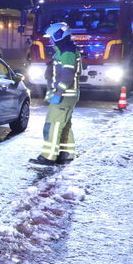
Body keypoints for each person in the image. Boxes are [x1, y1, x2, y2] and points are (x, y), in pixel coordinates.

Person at [30, 22, 81, 167]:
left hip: (64, 96)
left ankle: (48, 156)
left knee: (53, 125)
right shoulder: (66, 51)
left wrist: (59, 92)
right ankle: (66, 154)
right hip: (68, 95)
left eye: (52, 38)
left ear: (59, 36)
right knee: (64, 126)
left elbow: (68, 75)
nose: (50, 41)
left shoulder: (67, 53)